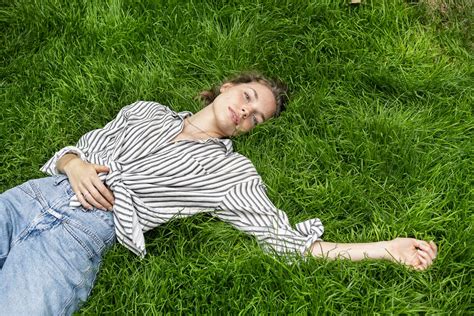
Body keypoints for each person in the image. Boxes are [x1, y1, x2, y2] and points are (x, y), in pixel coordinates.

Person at [0, 72, 437, 315]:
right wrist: (73, 163)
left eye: (255, 118)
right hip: (33, 197)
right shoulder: (146, 111)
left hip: (78, 238)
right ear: (227, 86)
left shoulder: (230, 172)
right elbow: (75, 150)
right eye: (248, 96)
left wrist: (386, 249)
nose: (246, 111)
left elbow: (288, 244)